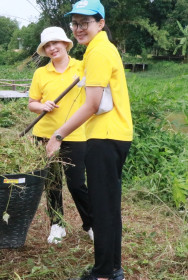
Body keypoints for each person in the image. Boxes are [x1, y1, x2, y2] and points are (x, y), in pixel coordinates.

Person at [47, 1, 133, 279]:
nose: (78, 29)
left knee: (103, 209)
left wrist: (58, 134)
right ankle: (112, 268)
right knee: (107, 206)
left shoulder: (99, 52)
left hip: (105, 137)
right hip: (112, 136)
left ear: (101, 23)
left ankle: (104, 273)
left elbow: (93, 104)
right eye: (74, 23)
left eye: (85, 22)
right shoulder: (98, 50)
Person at [29, 26, 93, 244]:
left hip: (75, 135)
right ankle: (57, 225)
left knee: (77, 183)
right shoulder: (40, 73)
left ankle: (91, 223)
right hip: (45, 135)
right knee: (52, 182)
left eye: (55, 43)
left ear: (66, 44)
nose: (52, 48)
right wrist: (41, 106)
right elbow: (31, 103)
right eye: (47, 45)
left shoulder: (82, 67)